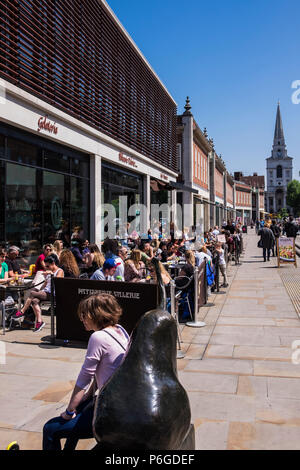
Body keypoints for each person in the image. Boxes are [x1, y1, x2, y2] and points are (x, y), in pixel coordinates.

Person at [42, 293, 130, 450]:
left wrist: (69, 411)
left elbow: (85, 377)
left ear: (96, 314)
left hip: (109, 412)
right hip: (123, 403)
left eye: (84, 314)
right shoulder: (120, 330)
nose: (81, 318)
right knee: (81, 408)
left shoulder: (98, 337)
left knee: (51, 429)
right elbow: (108, 367)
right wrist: (89, 395)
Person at [14, 255, 64, 331]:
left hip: (53, 294)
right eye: (45, 266)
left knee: (32, 293)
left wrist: (51, 274)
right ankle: (40, 321)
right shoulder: (48, 272)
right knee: (34, 301)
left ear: (53, 263)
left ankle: (22, 311)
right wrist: (40, 290)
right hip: (46, 293)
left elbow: (58, 283)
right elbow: (45, 285)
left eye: (47, 266)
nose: (46, 268)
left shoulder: (59, 271)